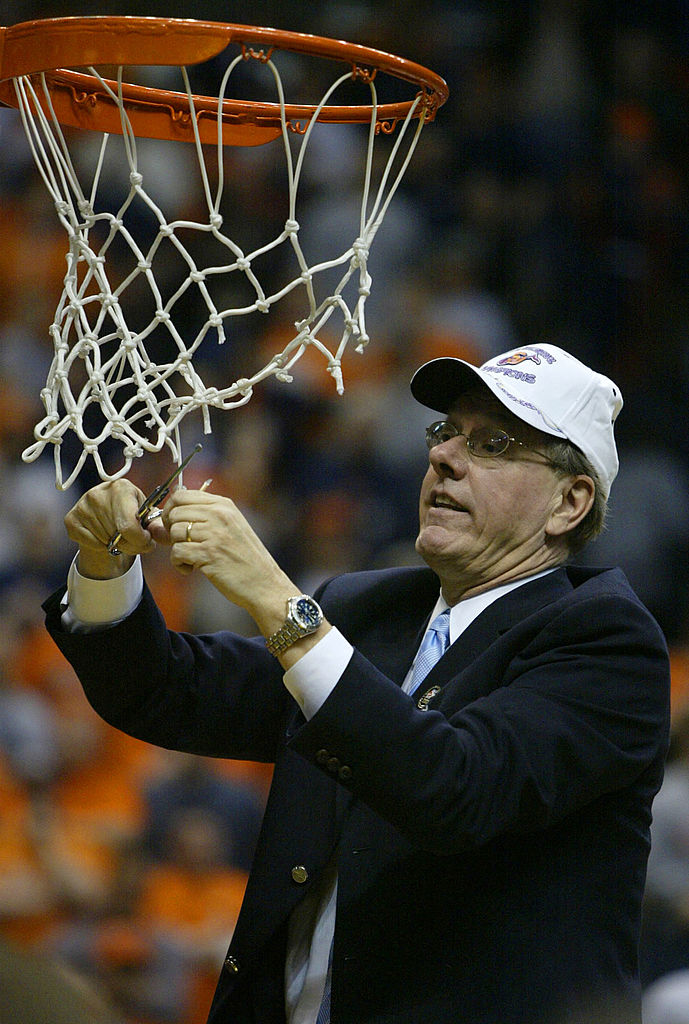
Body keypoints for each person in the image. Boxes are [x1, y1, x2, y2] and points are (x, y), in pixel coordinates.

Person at [43, 343, 671, 1024]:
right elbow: (169, 691)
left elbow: (453, 787)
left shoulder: (606, 641)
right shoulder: (367, 609)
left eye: (491, 444)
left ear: (569, 501)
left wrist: (276, 598)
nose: (443, 457)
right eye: (445, 432)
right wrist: (104, 571)